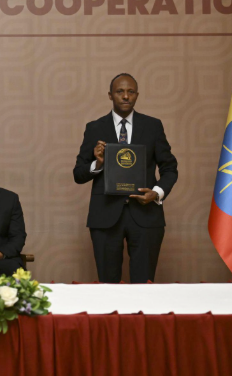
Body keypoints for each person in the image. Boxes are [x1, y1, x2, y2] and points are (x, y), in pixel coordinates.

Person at [73, 73, 178, 283]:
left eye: (131, 91)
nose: (126, 96)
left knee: (144, 284)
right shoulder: (94, 128)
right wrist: (97, 163)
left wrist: (156, 193)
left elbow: (170, 168)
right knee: (108, 285)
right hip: (105, 216)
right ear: (110, 95)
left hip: (146, 215)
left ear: (137, 95)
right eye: (120, 91)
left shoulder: (153, 126)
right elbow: (78, 174)